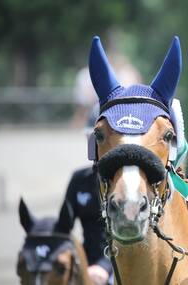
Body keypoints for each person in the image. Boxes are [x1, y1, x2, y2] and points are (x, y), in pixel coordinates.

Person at [64, 107, 112, 285]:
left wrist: (105, 266)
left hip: (120, 264)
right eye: (92, 139)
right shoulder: (79, 180)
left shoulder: (127, 183)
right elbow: (64, 228)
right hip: (85, 264)